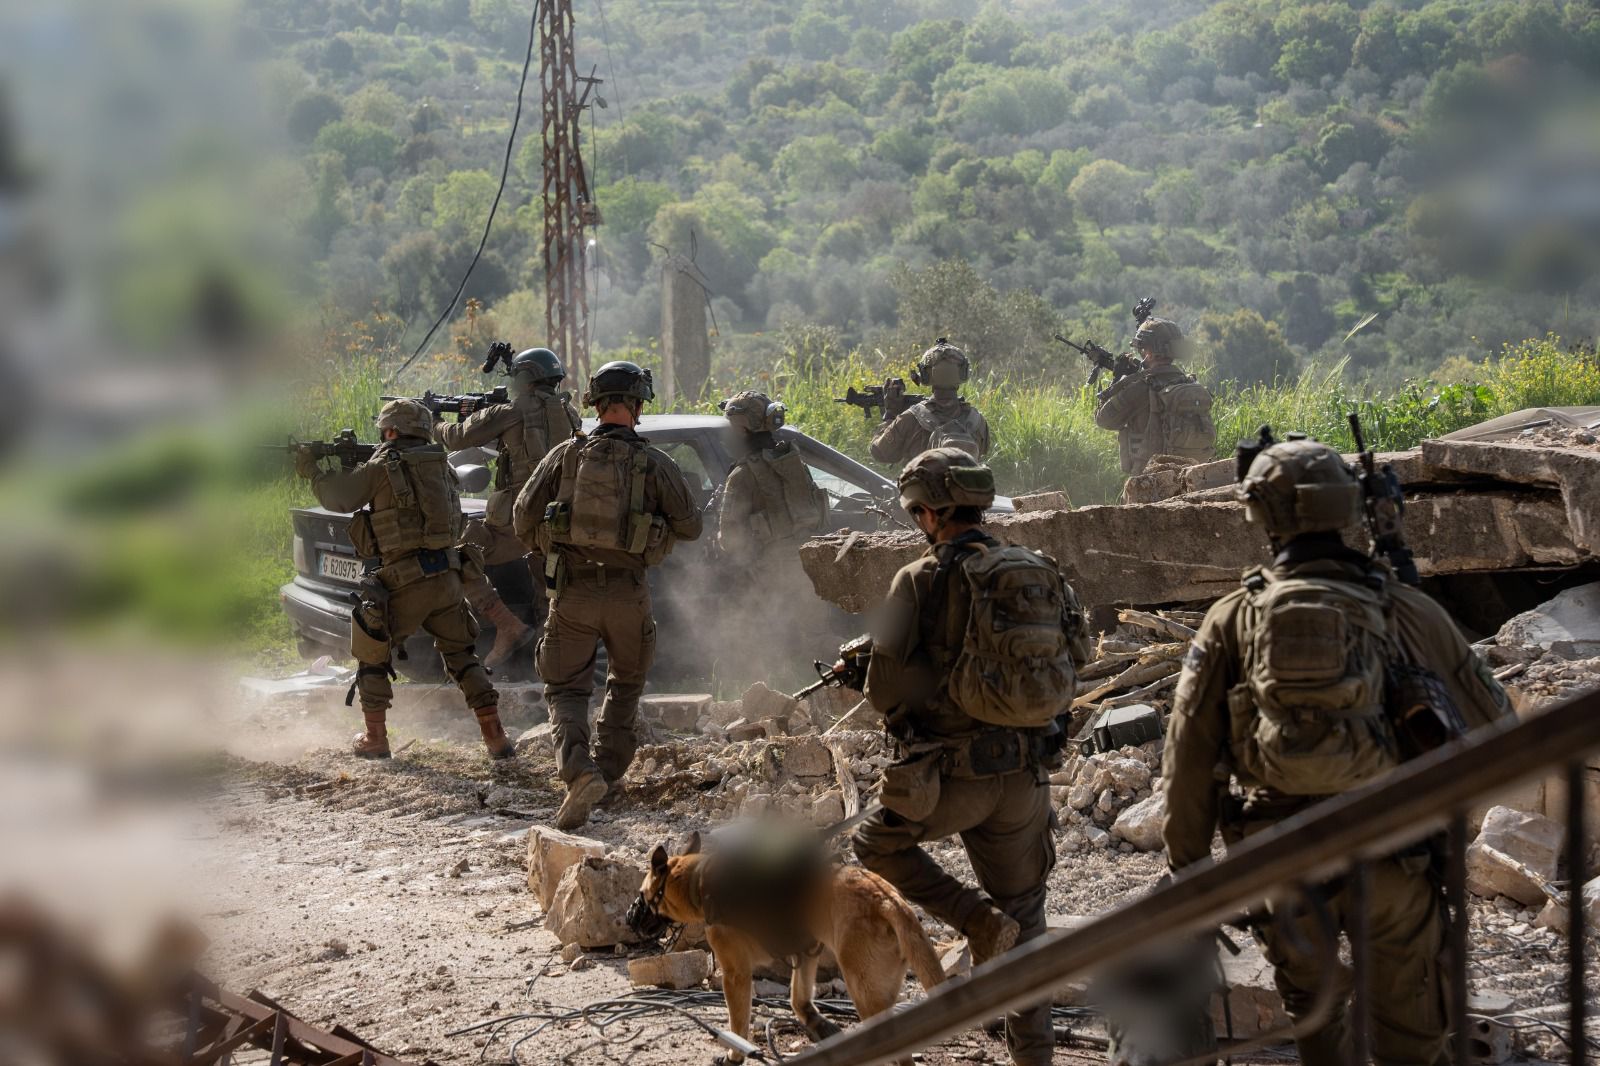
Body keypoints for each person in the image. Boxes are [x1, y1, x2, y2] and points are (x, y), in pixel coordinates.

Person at [1162, 437, 1513, 1066]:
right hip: (1395, 854)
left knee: (1315, 1016)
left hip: (1284, 858)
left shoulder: (1230, 620)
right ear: (1346, 509)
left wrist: (1190, 869)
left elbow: (1188, 755)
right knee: (1415, 1036)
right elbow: (1497, 726)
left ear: (1261, 514)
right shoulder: (1405, 608)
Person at [852, 448, 1090, 1066]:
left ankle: (972, 919)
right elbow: (1075, 659)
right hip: (1024, 776)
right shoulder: (1037, 568)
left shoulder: (920, 577)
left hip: (948, 779)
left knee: (875, 846)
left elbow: (884, 691)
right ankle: (1033, 1056)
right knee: (1027, 918)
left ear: (929, 513)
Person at [513, 360, 702, 830]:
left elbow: (520, 517)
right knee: (626, 682)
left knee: (566, 688)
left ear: (595, 405)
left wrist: (550, 541)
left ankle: (579, 771)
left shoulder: (564, 456)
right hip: (628, 595)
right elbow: (692, 527)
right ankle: (610, 773)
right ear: (637, 407)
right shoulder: (656, 463)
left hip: (573, 594)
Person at [295, 398, 514, 760]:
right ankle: (496, 737)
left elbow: (339, 497)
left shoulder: (383, 464)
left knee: (372, 652)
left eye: (386, 431)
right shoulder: (441, 466)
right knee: (462, 656)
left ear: (392, 430)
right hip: (447, 576)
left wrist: (313, 471)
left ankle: (375, 739)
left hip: (403, 580)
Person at [433, 346, 582, 670]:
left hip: (519, 521)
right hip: (558, 521)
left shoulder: (511, 412)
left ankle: (506, 623)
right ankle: (552, 672)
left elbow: (457, 438)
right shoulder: (571, 415)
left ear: (525, 378)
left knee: (458, 554)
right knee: (549, 599)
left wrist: (434, 420)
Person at [714, 390, 829, 573]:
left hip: (769, 576)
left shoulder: (742, 474)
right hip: (806, 566)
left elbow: (731, 540)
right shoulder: (792, 463)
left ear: (741, 429)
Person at [1093, 317, 1215, 476]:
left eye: (1141, 349)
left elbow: (1104, 420)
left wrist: (1117, 381)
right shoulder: (1188, 382)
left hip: (1151, 478)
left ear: (1149, 353)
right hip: (1192, 474)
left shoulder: (1142, 387)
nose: (1140, 353)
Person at [870, 341, 990, 465]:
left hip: (923, 484)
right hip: (963, 484)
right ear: (962, 374)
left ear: (925, 375)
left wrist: (890, 413)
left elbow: (880, 453)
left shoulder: (911, 418)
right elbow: (982, 453)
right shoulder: (978, 421)